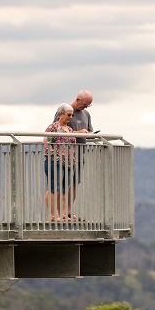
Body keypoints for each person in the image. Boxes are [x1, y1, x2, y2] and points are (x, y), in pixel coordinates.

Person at [43, 103, 77, 222]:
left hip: (68, 163)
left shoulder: (70, 129)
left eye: (72, 115)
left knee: (64, 190)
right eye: (69, 114)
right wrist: (55, 157)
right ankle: (53, 215)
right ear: (61, 114)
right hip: (55, 162)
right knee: (54, 189)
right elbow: (46, 143)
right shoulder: (53, 127)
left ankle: (62, 214)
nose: (71, 117)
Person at [67, 90, 94, 219]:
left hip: (79, 154)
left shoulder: (86, 114)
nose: (85, 107)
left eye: (88, 105)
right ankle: (57, 214)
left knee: (73, 184)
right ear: (78, 100)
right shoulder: (65, 111)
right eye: (84, 104)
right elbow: (58, 130)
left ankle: (68, 212)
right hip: (65, 155)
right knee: (60, 185)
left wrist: (89, 134)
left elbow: (90, 130)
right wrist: (78, 132)